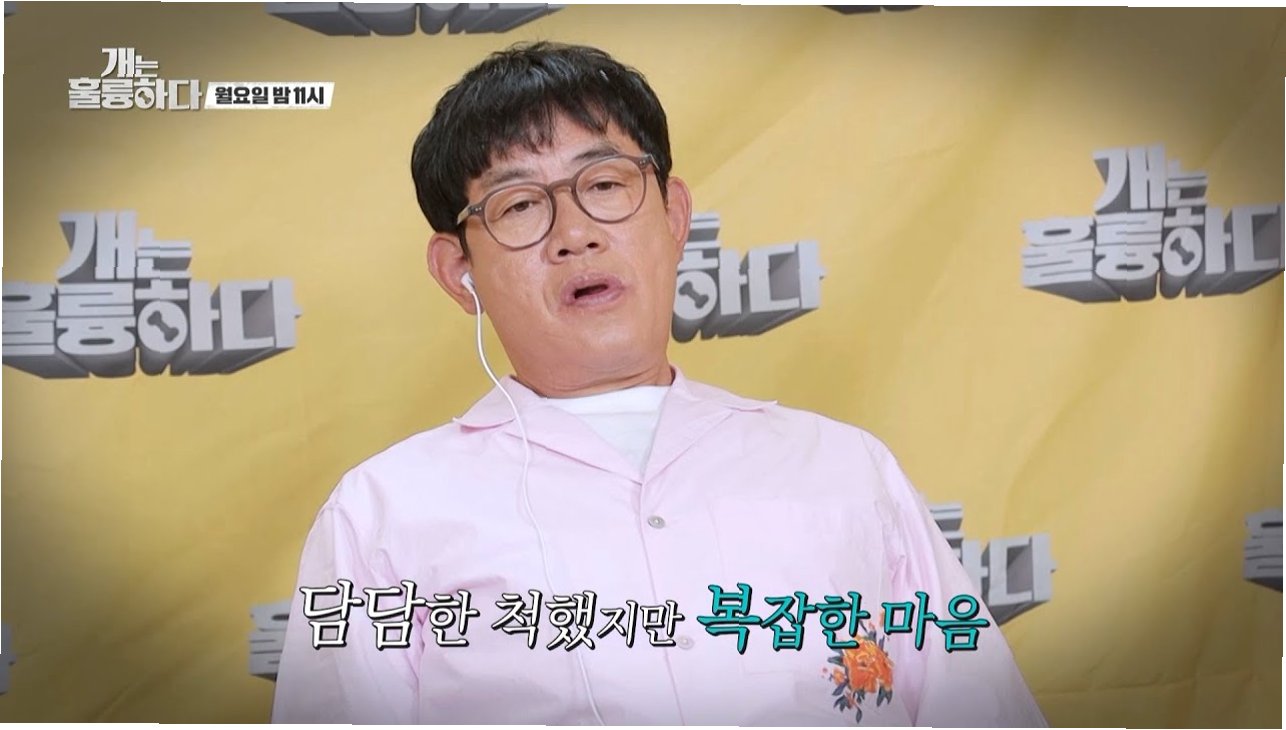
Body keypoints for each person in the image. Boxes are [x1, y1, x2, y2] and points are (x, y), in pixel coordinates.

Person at [271, 41, 1048, 727]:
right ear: (458, 271)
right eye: (519, 204)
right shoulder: (384, 516)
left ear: (674, 217)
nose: (576, 234)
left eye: (605, 185)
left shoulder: (846, 470)